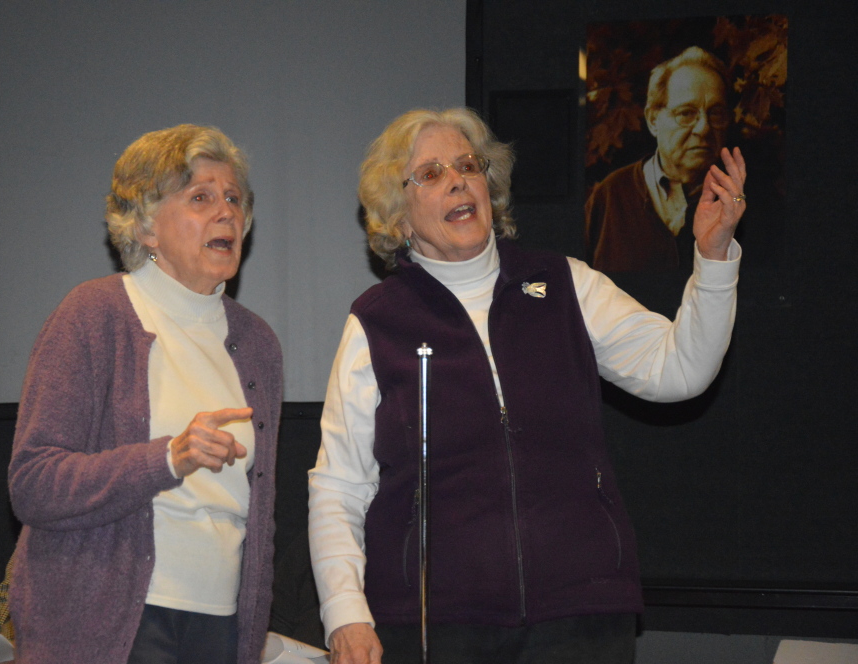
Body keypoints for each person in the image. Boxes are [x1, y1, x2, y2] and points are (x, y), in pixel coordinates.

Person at [308, 107, 746, 664]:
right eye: (432, 173)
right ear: (399, 215)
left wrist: (712, 260)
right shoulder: (377, 321)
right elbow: (338, 487)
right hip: (436, 624)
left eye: (468, 165)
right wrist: (344, 613)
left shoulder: (567, 285)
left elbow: (681, 369)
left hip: (581, 613)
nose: (459, 180)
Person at [6, 125, 282, 664]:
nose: (226, 213)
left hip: (220, 627)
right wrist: (167, 458)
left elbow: (261, 521)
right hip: (109, 622)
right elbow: (33, 484)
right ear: (147, 227)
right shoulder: (94, 314)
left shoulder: (257, 345)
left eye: (233, 199)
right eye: (200, 197)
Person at [586, 46, 731, 272]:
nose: (703, 128)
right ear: (653, 120)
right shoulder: (609, 196)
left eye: (715, 113)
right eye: (686, 113)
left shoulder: (744, 200)